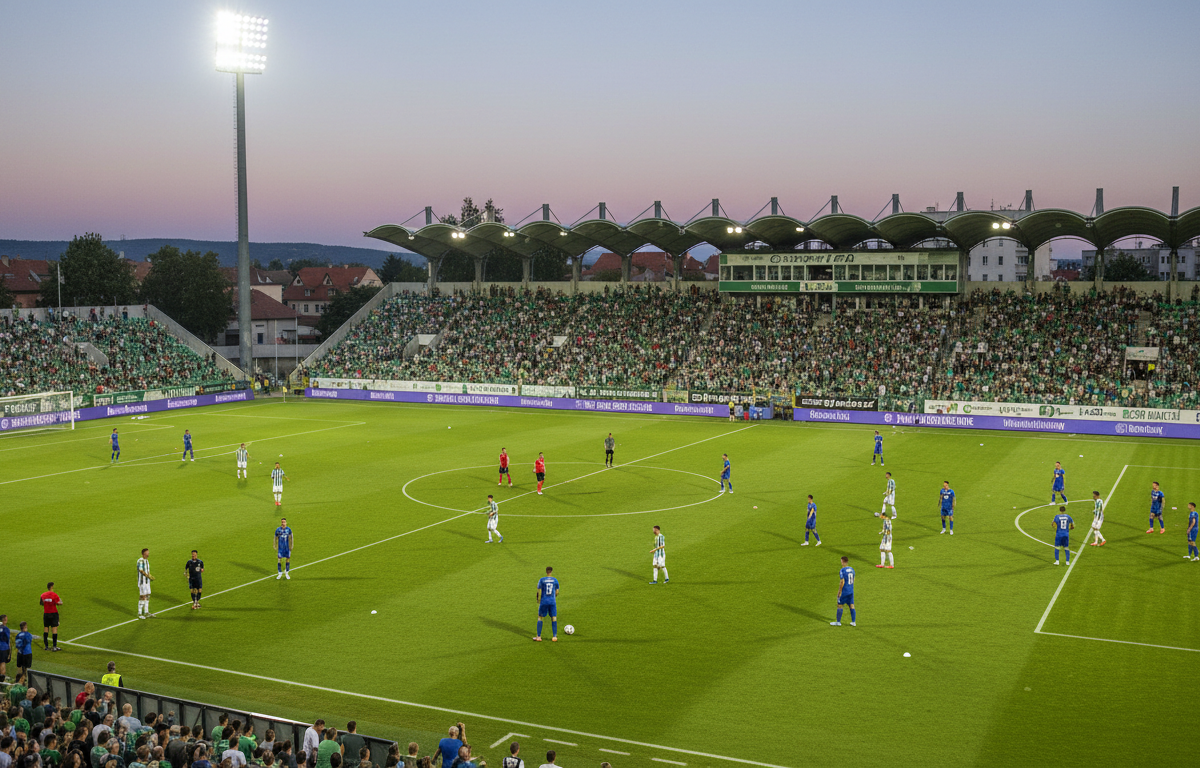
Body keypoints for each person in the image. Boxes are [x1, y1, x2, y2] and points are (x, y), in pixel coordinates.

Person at [533, 567, 559, 642]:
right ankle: (554, 636)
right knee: (554, 618)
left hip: (544, 601)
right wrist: (553, 597)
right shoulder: (555, 580)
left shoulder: (542, 580)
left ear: (546, 571)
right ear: (551, 571)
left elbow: (539, 591)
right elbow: (557, 592)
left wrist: (538, 600)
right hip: (552, 602)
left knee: (540, 617)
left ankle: (538, 637)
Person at [830, 556, 856, 627]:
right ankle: (853, 622)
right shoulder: (852, 569)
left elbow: (842, 582)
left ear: (843, 561)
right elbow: (853, 579)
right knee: (852, 605)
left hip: (844, 591)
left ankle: (838, 622)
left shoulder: (842, 570)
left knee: (840, 605)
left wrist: (839, 592)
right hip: (851, 590)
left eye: (841, 561)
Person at [38, 582, 62, 653]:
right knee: (54, 629)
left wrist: (47, 603)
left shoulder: (43, 595)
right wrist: (60, 601)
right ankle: (54, 647)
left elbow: (41, 603)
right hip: (54, 613)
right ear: (51, 587)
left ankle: (46, 646)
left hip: (46, 614)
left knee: (46, 628)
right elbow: (59, 603)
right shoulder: (54, 595)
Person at [136, 549, 155, 619]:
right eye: (147, 553)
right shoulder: (140, 561)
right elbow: (141, 570)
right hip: (142, 582)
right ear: (143, 554)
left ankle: (146, 612)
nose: (148, 554)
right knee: (142, 596)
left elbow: (148, 570)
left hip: (147, 582)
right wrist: (147, 576)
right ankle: (140, 613)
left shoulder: (146, 561)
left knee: (147, 595)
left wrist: (150, 576)